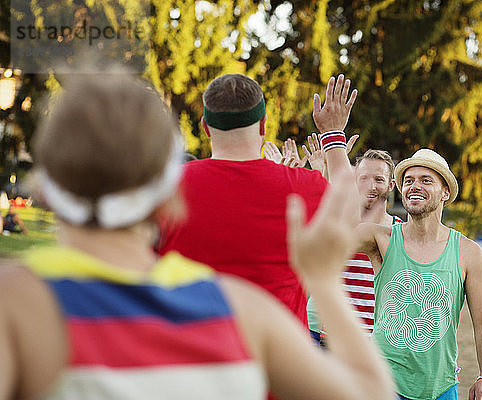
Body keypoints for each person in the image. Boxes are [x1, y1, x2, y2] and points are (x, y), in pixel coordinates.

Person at [0, 73, 396, 400]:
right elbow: (370, 392)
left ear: (46, 192)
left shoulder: (16, 303)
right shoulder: (239, 310)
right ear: (163, 202)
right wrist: (324, 282)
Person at [314, 75, 482, 400]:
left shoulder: (468, 253)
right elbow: (336, 229)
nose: (414, 185)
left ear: (445, 193)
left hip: (440, 388)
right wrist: (333, 140)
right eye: (409, 179)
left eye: (426, 180)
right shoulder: (380, 238)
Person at [157, 74, 331, 327]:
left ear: (205, 127)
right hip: (280, 358)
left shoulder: (165, 188)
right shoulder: (306, 186)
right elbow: (349, 215)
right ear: (263, 125)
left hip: (189, 352)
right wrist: (333, 135)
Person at [306, 148, 402, 343]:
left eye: (379, 179)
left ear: (391, 184)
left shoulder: (400, 231)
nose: (371, 186)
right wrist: (324, 171)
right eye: (364, 178)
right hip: (326, 337)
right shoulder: (338, 221)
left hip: (373, 339)